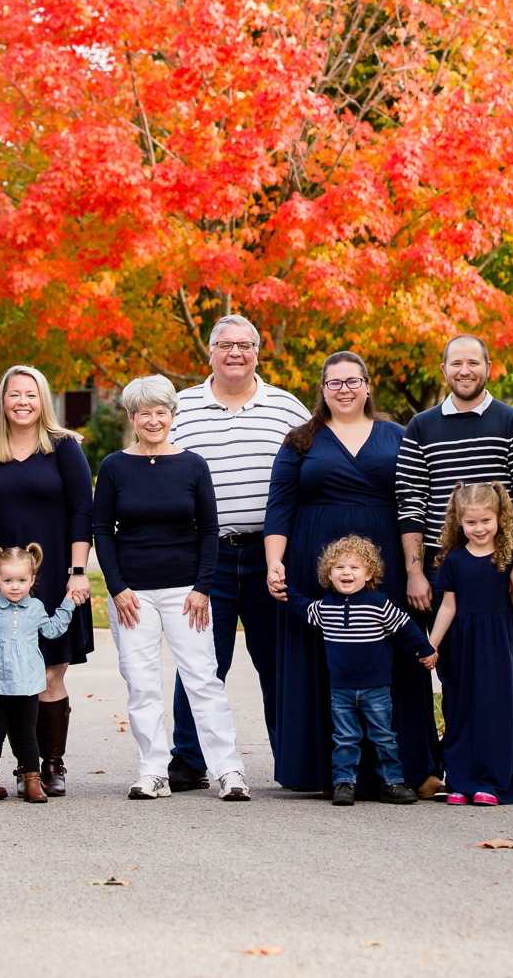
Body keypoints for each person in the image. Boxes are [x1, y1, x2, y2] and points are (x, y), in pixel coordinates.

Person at [265, 350, 441, 796]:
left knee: (393, 651)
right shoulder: (300, 440)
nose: (344, 389)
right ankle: (327, 772)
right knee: (320, 654)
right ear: (322, 390)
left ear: (367, 385)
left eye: (352, 381)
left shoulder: (398, 436)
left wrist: (414, 568)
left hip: (386, 558)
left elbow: (413, 507)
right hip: (314, 560)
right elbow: (279, 506)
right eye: (334, 382)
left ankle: (405, 769)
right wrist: (274, 561)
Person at [167, 315, 310, 791]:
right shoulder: (181, 407)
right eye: (224, 344)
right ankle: (189, 758)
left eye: (244, 345)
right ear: (209, 352)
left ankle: (293, 761)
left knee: (278, 661)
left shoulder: (286, 407)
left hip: (272, 556)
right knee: (203, 661)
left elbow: (307, 476)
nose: (235, 353)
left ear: (257, 352)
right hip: (205, 558)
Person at [93, 375, 250, 801]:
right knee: (141, 684)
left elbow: (209, 530)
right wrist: (118, 587)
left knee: (203, 679)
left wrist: (202, 587)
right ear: (131, 416)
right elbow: (102, 531)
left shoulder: (192, 465)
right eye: (144, 412)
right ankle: (153, 770)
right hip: (133, 595)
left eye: (161, 411)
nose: (153, 419)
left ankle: (229, 771)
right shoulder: (114, 467)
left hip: (187, 593)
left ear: (172, 415)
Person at [395, 334, 513, 665]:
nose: (465, 371)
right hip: (442, 566)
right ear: (444, 369)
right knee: (452, 666)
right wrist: (414, 572)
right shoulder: (420, 427)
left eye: (474, 362)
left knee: (505, 662)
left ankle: (506, 719)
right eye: (457, 363)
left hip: (502, 563)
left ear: (488, 368)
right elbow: (410, 503)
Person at [0, 365, 94, 797]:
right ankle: (19, 767)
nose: (22, 402)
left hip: (51, 582)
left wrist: (78, 573)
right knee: (6, 675)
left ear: (42, 399)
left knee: (48, 675)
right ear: (2, 400)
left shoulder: (63, 448)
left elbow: (84, 511)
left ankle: (51, 765)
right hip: (3, 580)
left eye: (31, 394)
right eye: (14, 394)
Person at [286, 535, 437, 806]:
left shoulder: (378, 604)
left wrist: (426, 650)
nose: (347, 573)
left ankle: (392, 782)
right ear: (329, 574)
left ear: (368, 574)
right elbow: (301, 606)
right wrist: (283, 591)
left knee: (384, 737)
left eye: (354, 568)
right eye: (339, 568)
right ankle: (344, 783)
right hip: (341, 690)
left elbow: (406, 627)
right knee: (345, 738)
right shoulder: (325, 608)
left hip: (376, 688)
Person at [429, 482, 513, 806]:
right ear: (458, 522)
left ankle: (492, 782)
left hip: (497, 644)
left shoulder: (509, 559)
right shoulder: (453, 560)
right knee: (461, 710)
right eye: (471, 522)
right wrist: (431, 644)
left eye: (485, 521)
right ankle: (461, 781)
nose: (479, 528)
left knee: (494, 710)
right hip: (461, 643)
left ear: (499, 518)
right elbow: (448, 606)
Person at [0, 544, 77, 804]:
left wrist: (68, 603)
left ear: (32, 580)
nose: (15, 586)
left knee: (27, 735)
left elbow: (52, 630)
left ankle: (33, 781)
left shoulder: (35, 608)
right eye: (8, 580)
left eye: (22, 580)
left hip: (26, 683)